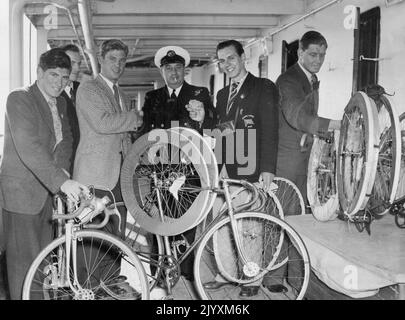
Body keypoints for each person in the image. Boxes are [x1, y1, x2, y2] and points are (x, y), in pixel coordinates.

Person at [0, 48, 89, 299]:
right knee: (22, 267)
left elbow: (66, 140)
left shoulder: (61, 102)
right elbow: (30, 148)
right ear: (39, 72)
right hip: (21, 196)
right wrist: (62, 181)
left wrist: (62, 174)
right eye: (53, 75)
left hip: (47, 195)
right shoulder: (19, 99)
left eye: (64, 78)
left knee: (41, 264)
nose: (59, 83)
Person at [202, 39, 279, 297]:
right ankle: (225, 273)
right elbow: (220, 130)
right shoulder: (223, 94)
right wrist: (203, 120)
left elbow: (270, 129)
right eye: (221, 61)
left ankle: (252, 278)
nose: (226, 65)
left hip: (252, 168)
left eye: (230, 59)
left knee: (250, 227)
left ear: (243, 57)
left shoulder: (263, 87)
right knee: (221, 222)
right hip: (225, 168)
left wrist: (267, 168)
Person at [139, 46, 216, 282]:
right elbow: (146, 131)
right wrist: (147, 150)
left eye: (178, 68)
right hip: (161, 167)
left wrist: (202, 117)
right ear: (162, 71)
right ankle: (161, 271)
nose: (173, 73)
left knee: (188, 218)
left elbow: (213, 122)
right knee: (159, 218)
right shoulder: (153, 98)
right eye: (168, 68)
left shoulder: (199, 92)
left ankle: (186, 267)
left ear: (185, 70)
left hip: (189, 167)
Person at [276, 31, 340, 209]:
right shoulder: (288, 80)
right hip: (288, 162)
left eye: (322, 55)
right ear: (299, 53)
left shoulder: (310, 78)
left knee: (301, 210)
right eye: (313, 54)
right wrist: (335, 125)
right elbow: (299, 117)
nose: (318, 60)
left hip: (305, 157)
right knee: (287, 212)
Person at [60, 44, 82, 174]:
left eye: (79, 63)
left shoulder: (83, 90)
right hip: (62, 163)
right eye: (72, 63)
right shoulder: (53, 93)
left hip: (82, 161)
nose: (77, 68)